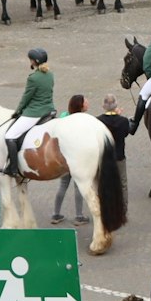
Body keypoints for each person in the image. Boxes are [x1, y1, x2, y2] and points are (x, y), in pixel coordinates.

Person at [2, 49, 55, 176]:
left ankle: (13, 168)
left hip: (35, 112)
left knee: (9, 136)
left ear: (34, 61)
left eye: (30, 59)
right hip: (49, 109)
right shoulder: (50, 74)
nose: (29, 61)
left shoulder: (33, 78)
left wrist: (18, 111)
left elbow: (26, 97)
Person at [51, 95, 90, 224]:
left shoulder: (63, 116)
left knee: (63, 185)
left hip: (64, 157)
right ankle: (79, 216)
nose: (87, 102)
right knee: (78, 187)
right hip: (77, 158)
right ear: (81, 106)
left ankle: (56, 214)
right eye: (85, 101)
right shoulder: (84, 120)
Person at [98, 95, 133, 197]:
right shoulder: (123, 121)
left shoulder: (99, 121)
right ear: (116, 105)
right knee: (122, 183)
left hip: (104, 157)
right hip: (119, 156)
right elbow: (126, 133)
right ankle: (124, 208)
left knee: (104, 183)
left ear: (103, 106)